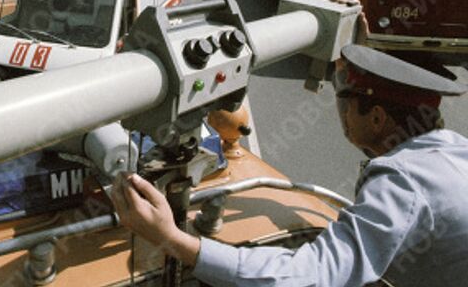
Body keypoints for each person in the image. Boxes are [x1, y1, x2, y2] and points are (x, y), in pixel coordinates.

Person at [112, 40, 468, 287]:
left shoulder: (402, 182)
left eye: (343, 99)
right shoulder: (454, 151)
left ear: (376, 118)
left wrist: (173, 239)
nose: (339, 110)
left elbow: (315, 276)